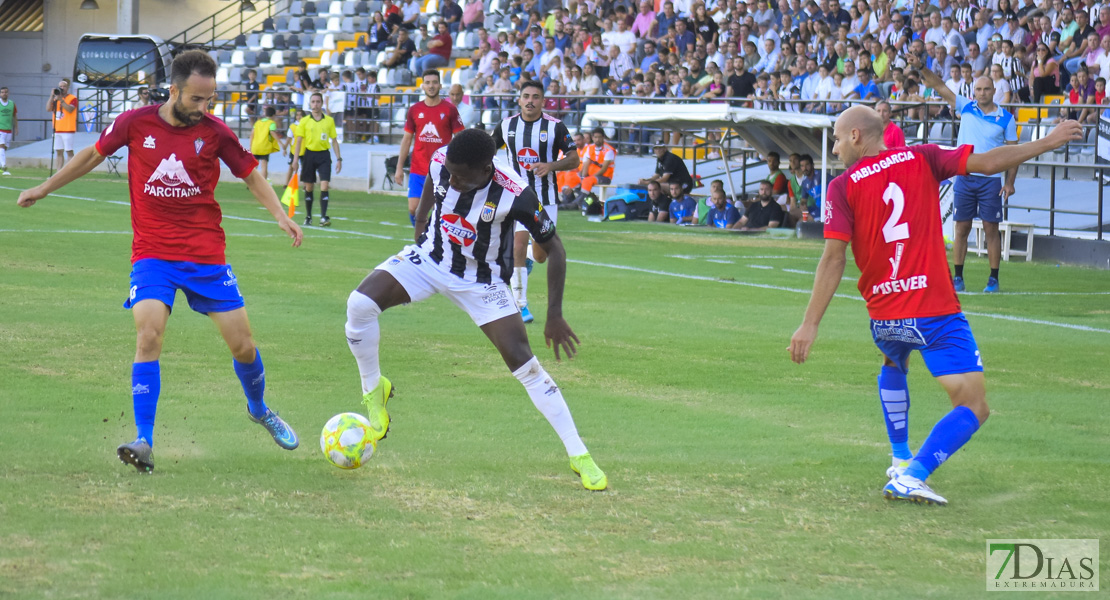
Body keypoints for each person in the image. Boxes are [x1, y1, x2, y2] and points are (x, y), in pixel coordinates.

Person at [16, 50, 304, 473]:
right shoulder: (136, 123)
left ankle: (259, 409)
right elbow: (92, 155)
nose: (203, 108)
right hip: (153, 253)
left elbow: (250, 175)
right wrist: (44, 187)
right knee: (148, 334)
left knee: (243, 346)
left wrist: (281, 215)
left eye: (209, 100)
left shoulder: (215, 131)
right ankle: (144, 440)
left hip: (206, 255)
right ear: (173, 90)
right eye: (196, 100)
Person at [789, 106, 1082, 505]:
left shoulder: (842, 186)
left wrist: (810, 324)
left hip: (884, 317)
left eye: (838, 139)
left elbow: (834, 258)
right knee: (974, 406)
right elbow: (988, 162)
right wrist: (1047, 142)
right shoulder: (922, 157)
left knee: (895, 363)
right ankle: (912, 474)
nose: (836, 148)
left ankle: (899, 456)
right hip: (932, 310)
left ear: (857, 136)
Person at [343, 129, 607, 491]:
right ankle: (375, 392)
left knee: (525, 364)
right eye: (449, 171)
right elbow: (427, 203)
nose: (451, 179)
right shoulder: (442, 162)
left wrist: (554, 314)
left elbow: (555, 249)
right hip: (431, 259)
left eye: (460, 176)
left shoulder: (516, 194)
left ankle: (580, 455)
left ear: (486, 170)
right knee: (359, 305)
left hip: (483, 282)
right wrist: (421, 234)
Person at [914, 54, 1017, 293]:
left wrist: (1010, 183)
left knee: (992, 228)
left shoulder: (1007, 118)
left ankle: (993, 278)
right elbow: (938, 85)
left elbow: (1014, 154)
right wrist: (920, 65)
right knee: (961, 228)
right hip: (964, 176)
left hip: (991, 180)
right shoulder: (966, 107)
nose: (982, 93)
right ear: (974, 91)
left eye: (987, 89)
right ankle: (958, 278)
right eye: (978, 89)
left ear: (995, 91)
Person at [491, 82, 579, 324]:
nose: (530, 101)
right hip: (517, 195)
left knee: (541, 255)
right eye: (526, 96)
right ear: (519, 100)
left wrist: (551, 165)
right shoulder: (507, 126)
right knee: (517, 245)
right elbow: (488, 151)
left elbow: (574, 159)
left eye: (535, 97)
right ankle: (520, 304)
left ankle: (531, 256)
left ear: (543, 101)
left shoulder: (555, 127)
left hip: (546, 198)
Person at [395, 70, 464, 226]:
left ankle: (428, 241)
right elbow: (406, 140)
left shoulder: (449, 109)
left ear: (440, 85)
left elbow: (460, 137)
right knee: (413, 208)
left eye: (434, 82)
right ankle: (424, 238)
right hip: (418, 168)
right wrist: (399, 168)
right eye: (428, 83)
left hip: (441, 170)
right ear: (422, 86)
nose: (431, 86)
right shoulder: (414, 110)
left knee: (438, 209)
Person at [290, 92, 342, 227]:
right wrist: (295, 160)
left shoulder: (329, 121)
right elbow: (299, 141)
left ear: (322, 103)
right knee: (309, 186)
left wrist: (339, 158)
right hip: (309, 155)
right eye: (313, 102)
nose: (315, 104)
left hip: (324, 155)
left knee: (324, 185)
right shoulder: (305, 121)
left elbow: (334, 141)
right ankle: (308, 216)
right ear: (309, 104)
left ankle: (324, 217)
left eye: (318, 102)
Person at [48, 78, 78, 171]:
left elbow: (70, 109)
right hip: (57, 129)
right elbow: (48, 108)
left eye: (64, 86)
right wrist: (51, 96)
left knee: (69, 151)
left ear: (67, 88)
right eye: (60, 86)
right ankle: (58, 172)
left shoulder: (72, 98)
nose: (62, 88)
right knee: (58, 151)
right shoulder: (55, 99)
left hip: (68, 129)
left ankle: (70, 171)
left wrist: (61, 100)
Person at [249, 106, 281, 182]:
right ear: (273, 115)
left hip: (255, 146)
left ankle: (251, 182)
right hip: (264, 147)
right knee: (264, 166)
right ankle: (263, 183)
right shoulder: (271, 123)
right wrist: (281, 143)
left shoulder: (258, 122)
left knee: (254, 166)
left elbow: (252, 134)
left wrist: (250, 147)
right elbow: (272, 132)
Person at [0, 86, 17, 176]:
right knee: (1, 147)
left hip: (8, 130)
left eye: (6, 92)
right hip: (0, 129)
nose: (4, 94)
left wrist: (16, 128)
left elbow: (14, 116)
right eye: (2, 92)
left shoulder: (12, 104)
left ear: (8, 93)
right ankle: (4, 166)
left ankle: (1, 166)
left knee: (4, 148)